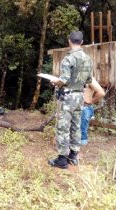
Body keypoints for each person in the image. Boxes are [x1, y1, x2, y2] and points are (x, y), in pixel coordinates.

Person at [48, 31, 93, 169]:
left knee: (63, 127)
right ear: (82, 42)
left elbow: (64, 79)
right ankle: (73, 156)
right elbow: (89, 80)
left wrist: (55, 81)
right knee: (76, 126)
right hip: (80, 96)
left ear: (69, 41)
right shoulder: (88, 59)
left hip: (67, 97)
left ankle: (62, 160)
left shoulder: (68, 59)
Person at [81, 77, 105, 145]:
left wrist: (91, 101)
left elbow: (101, 93)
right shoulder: (73, 76)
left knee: (82, 130)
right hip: (76, 107)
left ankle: (82, 147)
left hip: (85, 107)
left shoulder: (89, 78)